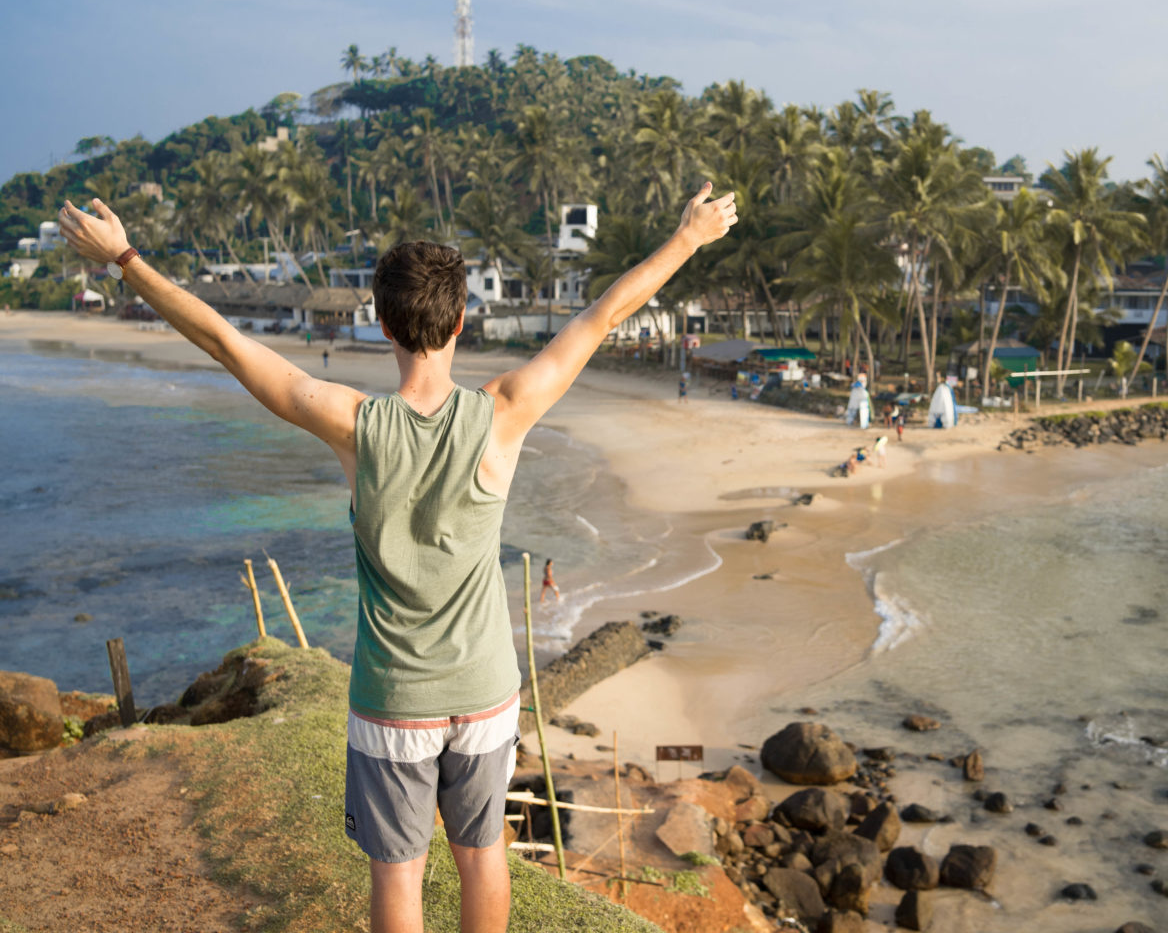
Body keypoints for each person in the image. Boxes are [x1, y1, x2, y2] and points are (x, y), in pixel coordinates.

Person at [54, 183, 737, 933]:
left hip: (393, 702)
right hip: (484, 694)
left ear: (382, 324)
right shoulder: (505, 413)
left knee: (399, 875)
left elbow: (224, 341)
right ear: (461, 320)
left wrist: (124, 257)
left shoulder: (354, 425)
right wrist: (687, 238)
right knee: (483, 856)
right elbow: (603, 315)